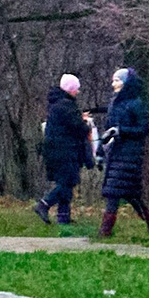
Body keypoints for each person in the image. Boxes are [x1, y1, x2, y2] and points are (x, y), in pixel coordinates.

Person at [99, 66, 149, 236]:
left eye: (118, 80)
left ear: (127, 83)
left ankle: (105, 231)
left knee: (115, 192)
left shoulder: (137, 104)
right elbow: (108, 128)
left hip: (130, 155)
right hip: (115, 153)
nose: (114, 84)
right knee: (130, 194)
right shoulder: (115, 103)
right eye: (114, 80)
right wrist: (101, 150)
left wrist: (122, 131)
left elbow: (143, 129)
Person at [37, 75, 91, 226]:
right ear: (71, 90)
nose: (77, 92)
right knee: (67, 183)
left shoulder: (57, 104)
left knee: (65, 183)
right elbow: (79, 129)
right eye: (76, 89)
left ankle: (63, 218)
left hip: (56, 150)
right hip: (65, 151)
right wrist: (86, 123)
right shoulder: (67, 106)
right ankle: (44, 204)